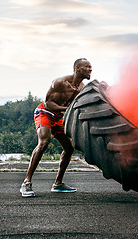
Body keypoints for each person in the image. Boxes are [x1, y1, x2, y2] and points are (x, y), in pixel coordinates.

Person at [20, 58, 92, 197]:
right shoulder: (60, 83)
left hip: (59, 116)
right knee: (44, 142)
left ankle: (58, 184)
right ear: (77, 68)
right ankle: (26, 182)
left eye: (91, 67)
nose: (90, 69)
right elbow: (48, 104)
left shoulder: (82, 88)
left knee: (69, 148)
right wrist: (68, 109)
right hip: (45, 112)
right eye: (87, 67)